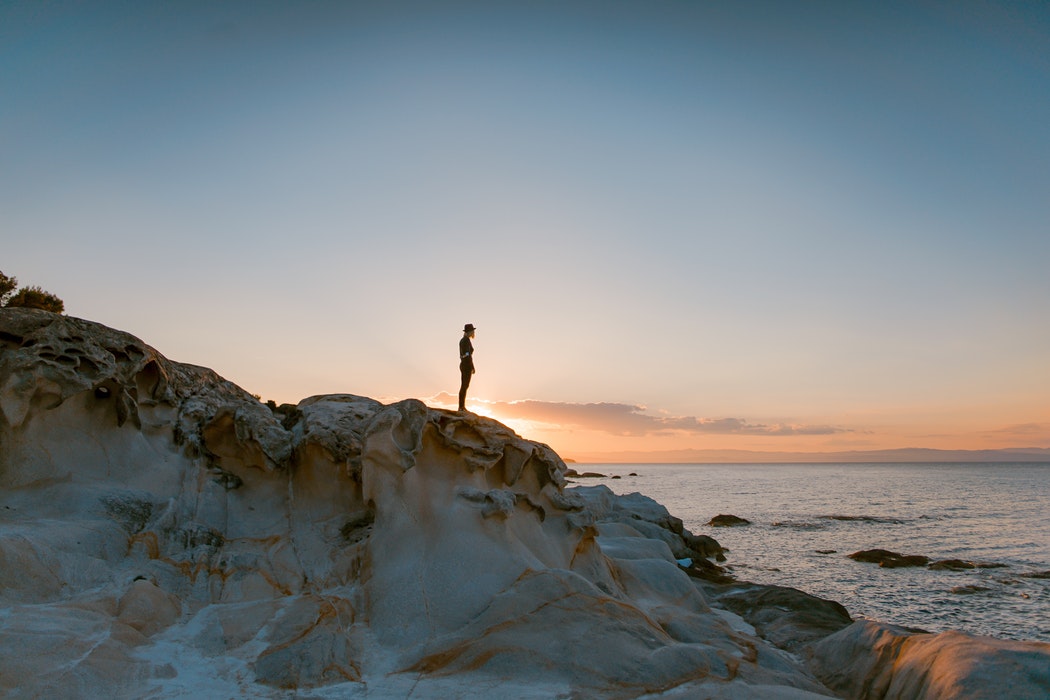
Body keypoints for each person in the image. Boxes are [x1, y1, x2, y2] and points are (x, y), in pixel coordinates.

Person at [458, 323, 476, 411]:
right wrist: (471, 366)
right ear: (469, 331)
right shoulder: (465, 340)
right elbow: (467, 354)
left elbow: (467, 354)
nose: (473, 332)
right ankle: (461, 407)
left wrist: (472, 366)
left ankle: (462, 406)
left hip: (466, 364)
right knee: (464, 386)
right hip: (466, 365)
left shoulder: (465, 340)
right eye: (472, 331)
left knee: (465, 386)